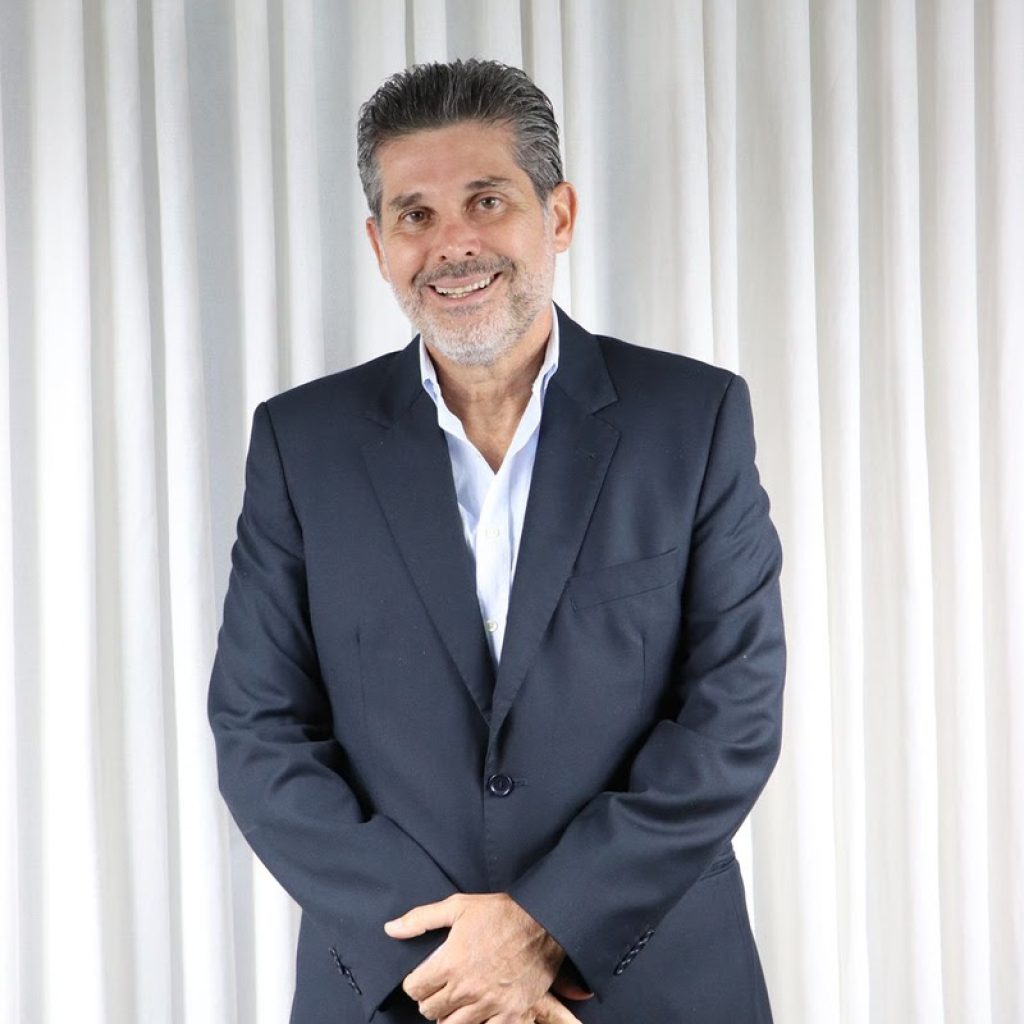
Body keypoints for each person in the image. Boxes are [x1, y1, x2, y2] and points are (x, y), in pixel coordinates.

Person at [208, 58, 785, 1024]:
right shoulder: (300, 443)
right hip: (400, 988)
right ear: (378, 243)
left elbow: (733, 712)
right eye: (416, 214)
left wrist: (546, 927)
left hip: (650, 984)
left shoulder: (693, 419)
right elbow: (259, 728)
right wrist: (459, 962)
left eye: (487, 200)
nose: (453, 244)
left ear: (558, 214)